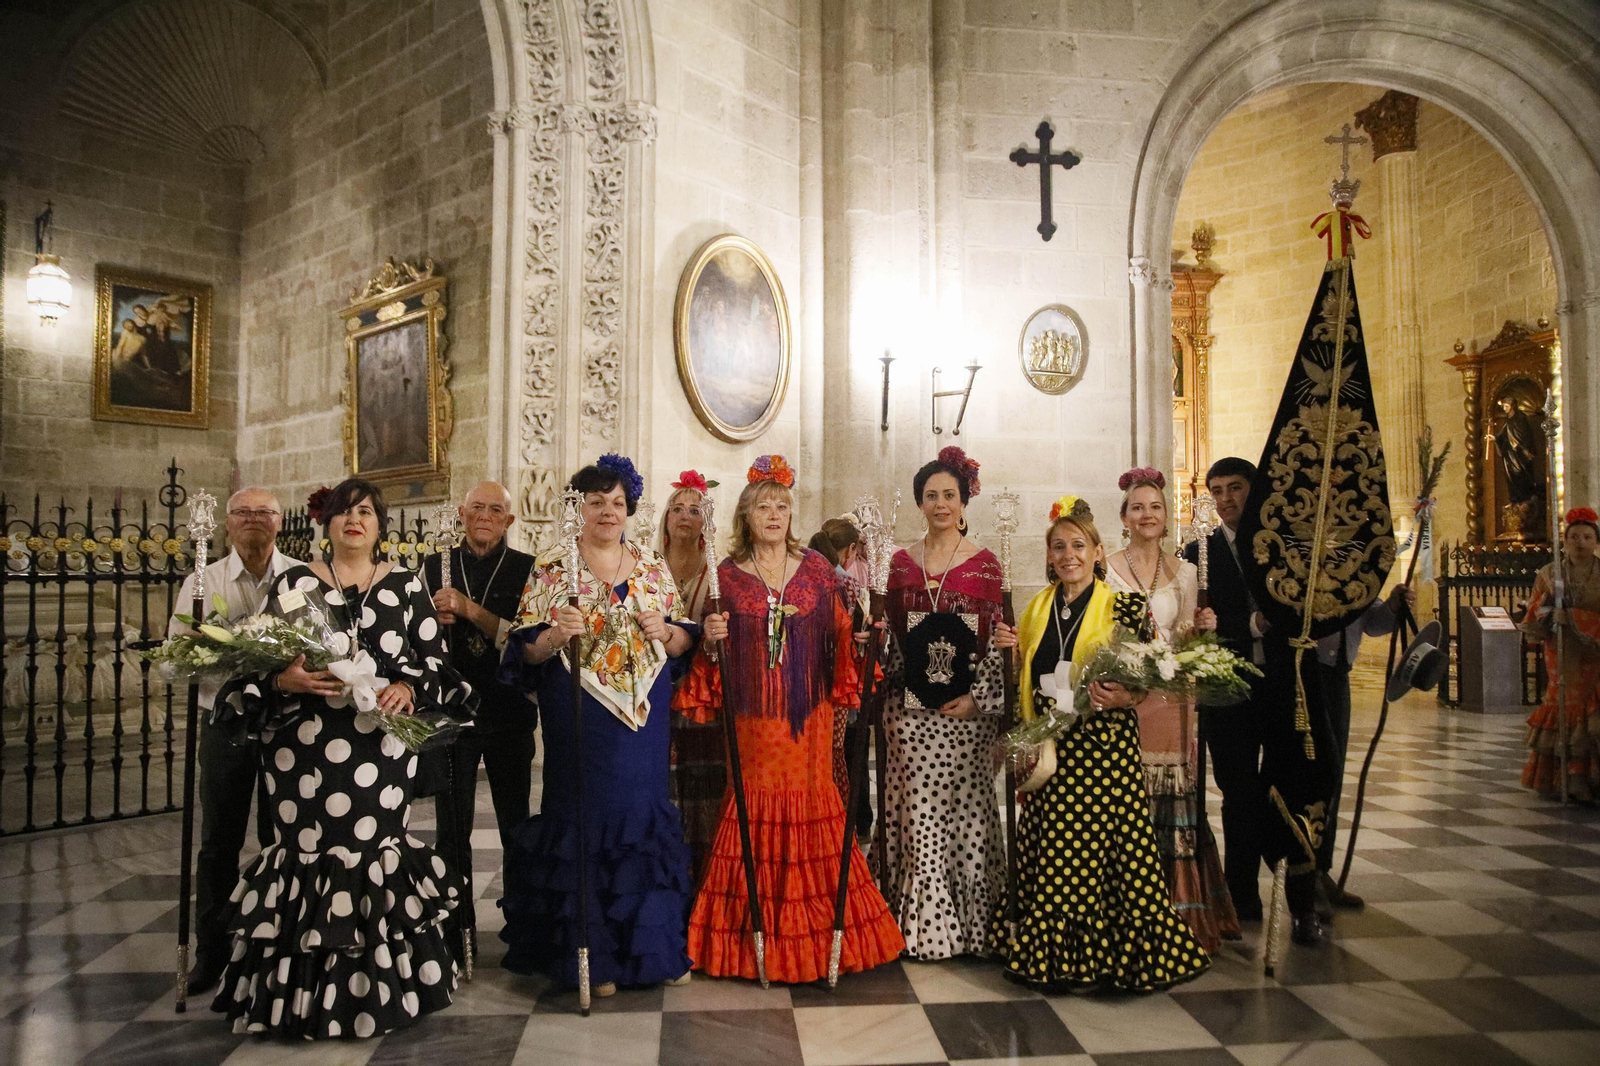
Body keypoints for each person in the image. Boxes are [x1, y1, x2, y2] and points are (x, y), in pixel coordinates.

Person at [209, 478, 476, 1037]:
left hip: (378, 751)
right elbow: (256, 660)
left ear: (381, 525)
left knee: (368, 853)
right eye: (343, 512)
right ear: (325, 525)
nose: (354, 520)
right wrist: (284, 676)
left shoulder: (406, 586)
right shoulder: (292, 582)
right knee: (308, 854)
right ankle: (298, 999)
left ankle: (375, 994)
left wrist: (407, 684)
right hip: (301, 749)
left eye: (365, 512)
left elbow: (436, 661)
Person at [675, 455, 904, 982]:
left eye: (782, 505)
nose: (774, 514)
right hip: (755, 718)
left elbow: (842, 633)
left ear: (791, 514)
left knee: (814, 797)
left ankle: (821, 933)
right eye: (763, 506)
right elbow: (709, 650)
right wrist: (710, 642)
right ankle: (746, 935)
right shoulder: (726, 576)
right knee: (752, 805)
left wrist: (862, 638)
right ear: (745, 515)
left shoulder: (819, 570)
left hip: (808, 713)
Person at [989, 496, 1209, 991]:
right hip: (1052, 747)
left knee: (1099, 852)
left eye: (1079, 546)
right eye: (1060, 547)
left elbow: (1151, 676)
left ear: (1097, 551)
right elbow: (1032, 669)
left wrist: (1128, 694)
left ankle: (1095, 958)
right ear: (1049, 556)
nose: (1069, 555)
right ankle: (1062, 953)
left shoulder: (1124, 605)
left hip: (1103, 749)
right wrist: (1013, 649)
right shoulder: (1037, 609)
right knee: (1056, 848)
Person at [498, 455, 698, 996]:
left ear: (629, 509)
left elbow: (683, 643)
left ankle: (651, 948)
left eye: (617, 502)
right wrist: (554, 638)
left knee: (642, 814)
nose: (607, 512)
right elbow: (526, 653)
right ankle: (592, 953)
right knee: (582, 813)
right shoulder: (553, 567)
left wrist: (668, 631)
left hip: (643, 719)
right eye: (595, 502)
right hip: (577, 714)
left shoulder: (654, 567)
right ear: (579, 509)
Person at [878, 447, 1016, 960]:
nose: (940, 504)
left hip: (967, 719)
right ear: (919, 503)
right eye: (931, 495)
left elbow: (1001, 642)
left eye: (949, 496)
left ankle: (974, 925)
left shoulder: (985, 565)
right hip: (911, 722)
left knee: (968, 817)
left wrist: (981, 701)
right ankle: (921, 927)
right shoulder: (897, 563)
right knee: (918, 816)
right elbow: (889, 640)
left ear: (963, 502)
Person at [167, 488, 301, 994]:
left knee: (281, 840)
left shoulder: (298, 577)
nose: (253, 521)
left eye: (264, 513)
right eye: (243, 513)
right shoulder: (202, 582)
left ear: (279, 521)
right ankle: (212, 952)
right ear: (227, 523)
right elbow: (183, 654)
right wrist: (224, 654)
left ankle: (274, 948)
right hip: (224, 723)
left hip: (284, 723)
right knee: (218, 842)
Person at [1105, 467, 1238, 953]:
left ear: (1166, 517)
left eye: (1155, 507)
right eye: (1137, 507)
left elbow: (1188, 638)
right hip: (1126, 698)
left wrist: (1204, 625)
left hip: (1172, 699)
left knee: (1175, 797)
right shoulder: (1107, 568)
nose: (1147, 515)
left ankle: (1182, 911)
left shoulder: (1186, 571)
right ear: (1124, 516)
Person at [421, 481, 537, 864]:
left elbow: (526, 640)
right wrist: (429, 622)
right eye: (476, 508)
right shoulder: (434, 566)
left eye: (495, 510)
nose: (485, 517)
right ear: (461, 515)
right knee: (451, 829)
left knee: (515, 827)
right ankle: (457, 921)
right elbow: (416, 638)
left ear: (509, 520)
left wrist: (470, 611)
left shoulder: (529, 569)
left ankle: (518, 921)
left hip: (509, 710)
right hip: (454, 712)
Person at [1182, 457, 1269, 922]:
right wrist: (1252, 624)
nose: (1226, 499)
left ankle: (1305, 876)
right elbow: (1199, 620)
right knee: (1237, 789)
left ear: (1254, 488)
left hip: (1278, 685)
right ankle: (1242, 890)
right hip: (1226, 686)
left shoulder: (1277, 541)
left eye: (1234, 488)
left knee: (1281, 786)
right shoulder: (1201, 550)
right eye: (1216, 491)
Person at [660, 470, 726, 891]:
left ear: (706, 521)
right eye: (678, 509)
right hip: (656, 690)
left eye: (695, 510)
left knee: (703, 787)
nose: (685, 516)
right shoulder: (648, 567)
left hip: (702, 698)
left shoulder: (717, 573)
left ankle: (702, 882)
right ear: (665, 518)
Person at [1521, 506, 1600, 802]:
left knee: (1592, 709)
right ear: (1564, 541)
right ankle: (1568, 778)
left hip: (1594, 652)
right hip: (1562, 650)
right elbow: (1535, 610)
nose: (1580, 542)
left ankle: (1590, 777)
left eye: (1587, 537)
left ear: (1595, 541)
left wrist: (1577, 617)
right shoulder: (1550, 573)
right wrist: (1550, 613)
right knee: (1565, 705)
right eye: (1574, 536)